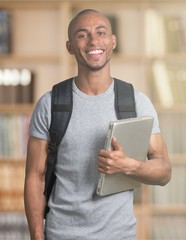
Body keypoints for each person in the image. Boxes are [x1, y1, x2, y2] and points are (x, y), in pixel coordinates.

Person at [24, 9, 171, 240]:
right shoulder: (50, 104)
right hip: (61, 234)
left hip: (119, 235)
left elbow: (164, 172)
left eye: (101, 33)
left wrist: (129, 166)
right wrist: (37, 236)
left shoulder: (135, 102)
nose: (93, 40)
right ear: (70, 46)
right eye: (82, 35)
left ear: (112, 42)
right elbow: (35, 176)